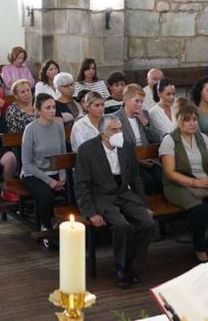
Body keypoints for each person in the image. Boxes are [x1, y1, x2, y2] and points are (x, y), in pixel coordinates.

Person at [74, 117, 156, 289]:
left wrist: (144, 205)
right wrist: (91, 212)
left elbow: (135, 178)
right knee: (121, 226)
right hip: (102, 196)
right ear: (103, 132)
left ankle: (128, 260)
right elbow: (82, 184)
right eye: (114, 130)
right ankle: (122, 268)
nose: (118, 133)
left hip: (124, 193)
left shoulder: (126, 146)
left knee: (148, 223)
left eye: (120, 129)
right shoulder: (87, 150)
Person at [160, 107, 208, 264]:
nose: (192, 123)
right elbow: (170, 172)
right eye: (187, 120)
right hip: (178, 184)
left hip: (203, 181)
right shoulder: (170, 140)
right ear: (178, 122)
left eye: (194, 120)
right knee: (200, 210)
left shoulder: (203, 138)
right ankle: (199, 248)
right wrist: (195, 182)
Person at [20, 94, 68, 245]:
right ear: (38, 110)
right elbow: (26, 164)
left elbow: (63, 154)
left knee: (76, 189)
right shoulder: (31, 129)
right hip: (34, 173)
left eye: (54, 107)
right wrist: (49, 181)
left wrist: (62, 177)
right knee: (46, 196)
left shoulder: (59, 126)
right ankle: (45, 227)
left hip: (55, 172)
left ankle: (67, 224)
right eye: (48, 108)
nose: (52, 111)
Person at [116, 85, 162, 194]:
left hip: (150, 158)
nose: (140, 105)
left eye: (141, 102)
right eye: (137, 101)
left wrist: (145, 122)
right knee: (147, 181)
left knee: (163, 178)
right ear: (126, 100)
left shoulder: (145, 114)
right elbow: (118, 147)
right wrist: (138, 160)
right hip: (131, 162)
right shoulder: (116, 118)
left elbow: (156, 139)